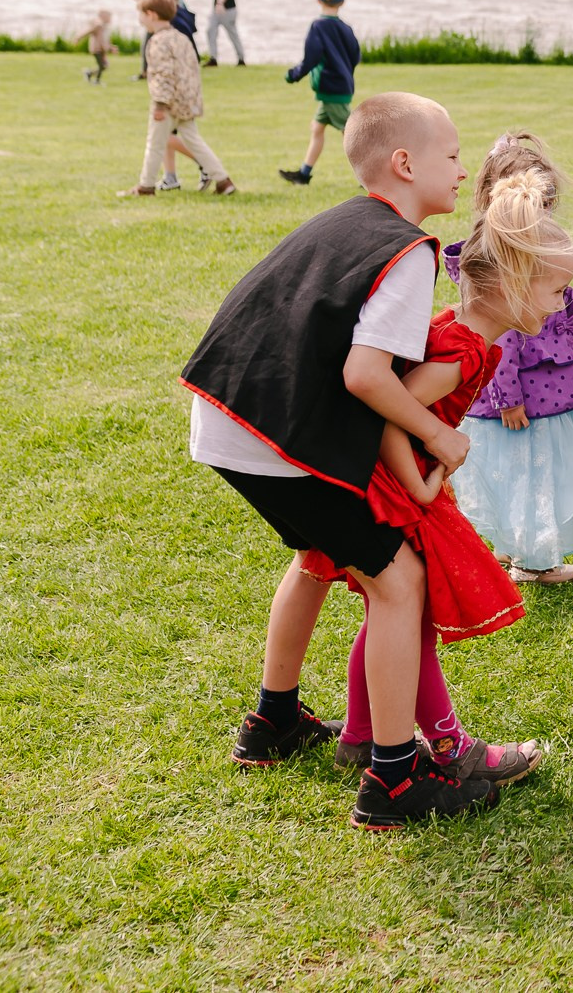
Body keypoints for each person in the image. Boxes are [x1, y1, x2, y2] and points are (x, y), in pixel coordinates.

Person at [182, 92, 495, 827]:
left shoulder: (347, 221)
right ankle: (395, 778)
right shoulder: (410, 249)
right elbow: (365, 374)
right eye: (451, 155)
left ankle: (274, 720)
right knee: (398, 577)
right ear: (405, 163)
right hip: (273, 433)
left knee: (315, 552)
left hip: (225, 413)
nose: (461, 168)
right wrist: (439, 433)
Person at [312, 168, 573, 802]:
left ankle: (361, 731)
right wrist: (421, 486)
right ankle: (449, 745)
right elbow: (386, 413)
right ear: (513, 282)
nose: (562, 303)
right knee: (412, 610)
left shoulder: (472, 335)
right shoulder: (461, 351)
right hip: (387, 479)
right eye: (555, 288)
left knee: (391, 612)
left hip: (399, 475)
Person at [447, 133, 573, 584]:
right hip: (526, 399)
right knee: (530, 475)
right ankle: (533, 559)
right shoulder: (501, 274)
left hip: (548, 394)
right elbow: (498, 346)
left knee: (526, 473)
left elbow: (560, 302)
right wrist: (508, 398)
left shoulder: (537, 259)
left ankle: (514, 547)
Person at [117, 0, 235, 198]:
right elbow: (192, 69)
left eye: (141, 14)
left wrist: (160, 104)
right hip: (186, 101)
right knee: (195, 142)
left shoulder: (158, 41)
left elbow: (164, 74)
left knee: (154, 144)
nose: (140, 19)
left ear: (151, 14)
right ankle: (223, 180)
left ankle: (145, 186)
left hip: (168, 104)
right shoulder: (181, 38)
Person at [280, 0, 362, 186]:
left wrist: (294, 74)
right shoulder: (346, 28)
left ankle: (371, 176)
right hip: (340, 85)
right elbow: (355, 56)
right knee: (317, 128)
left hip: (330, 89)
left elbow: (311, 58)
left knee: (352, 133)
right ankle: (304, 174)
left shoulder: (318, 26)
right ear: (342, 2)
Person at [76, 9, 113, 85]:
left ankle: (89, 73)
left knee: (105, 66)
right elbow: (88, 31)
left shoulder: (105, 27)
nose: (110, 19)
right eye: (109, 17)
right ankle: (96, 80)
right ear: (103, 16)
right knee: (102, 66)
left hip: (102, 49)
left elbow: (106, 39)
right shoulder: (98, 26)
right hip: (96, 49)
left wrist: (111, 47)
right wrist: (78, 38)